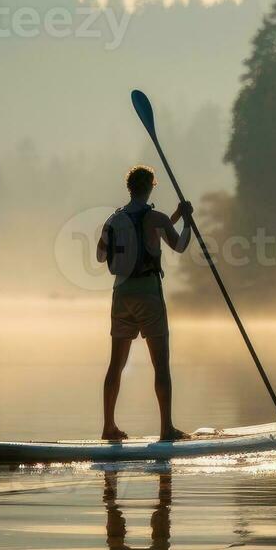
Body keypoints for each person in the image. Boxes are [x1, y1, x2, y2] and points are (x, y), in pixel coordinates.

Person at [95, 165, 194, 441]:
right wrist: (186, 221)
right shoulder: (157, 218)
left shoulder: (113, 221)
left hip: (122, 296)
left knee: (116, 364)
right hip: (149, 296)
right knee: (161, 364)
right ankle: (166, 429)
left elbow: (101, 257)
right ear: (151, 186)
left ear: (130, 188)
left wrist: (174, 216)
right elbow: (180, 245)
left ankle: (108, 427)